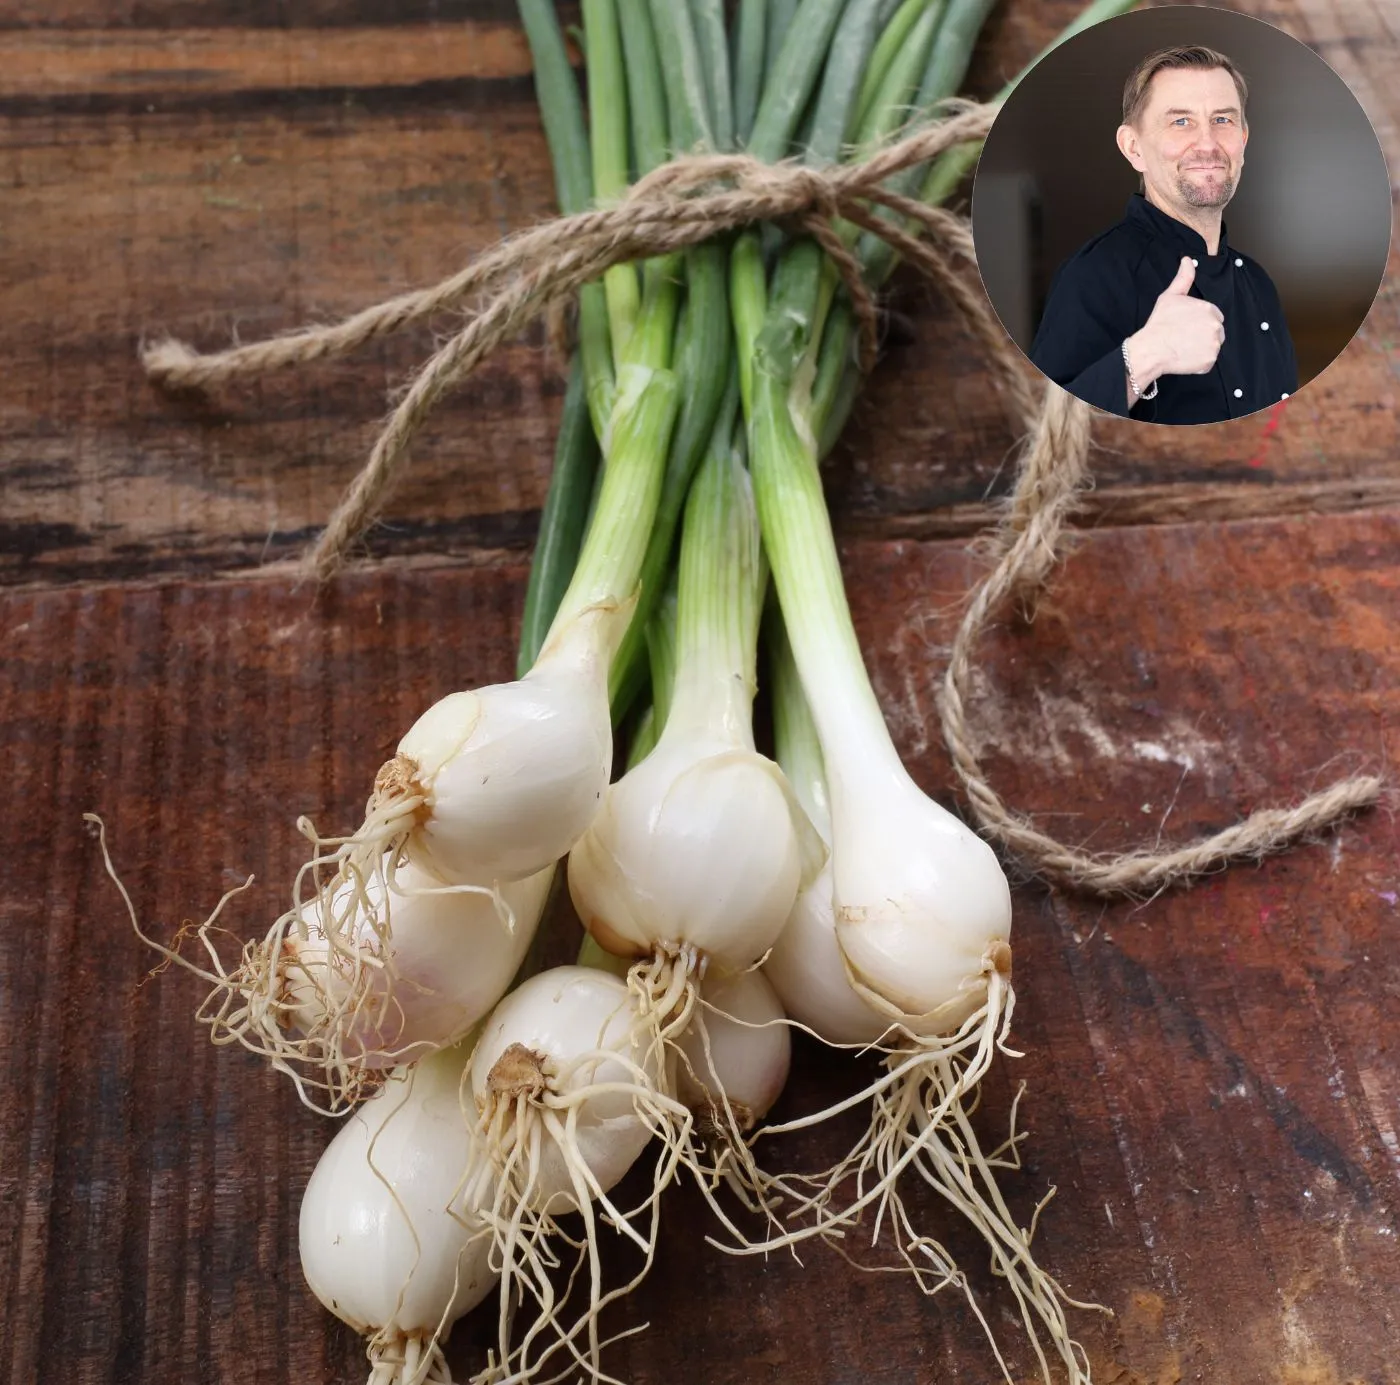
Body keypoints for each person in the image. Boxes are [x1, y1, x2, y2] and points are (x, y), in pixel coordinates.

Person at [1029, 45, 1298, 424]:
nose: (1207, 143)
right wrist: (1145, 356)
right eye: (1181, 122)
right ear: (1133, 148)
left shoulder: (1258, 282)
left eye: (1222, 119)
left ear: (1243, 140)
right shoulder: (1095, 274)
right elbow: (1046, 429)